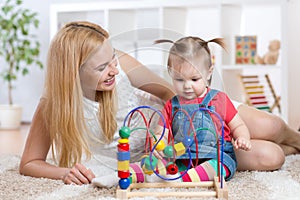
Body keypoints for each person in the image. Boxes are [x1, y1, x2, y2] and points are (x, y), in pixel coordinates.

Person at [19, 21, 300, 186]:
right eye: (102, 67)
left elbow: (171, 94)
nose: (114, 69)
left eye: (114, 57)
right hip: (178, 149)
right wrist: (63, 172)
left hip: (194, 111)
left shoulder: (124, 68)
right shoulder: (52, 105)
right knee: (269, 155)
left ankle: (296, 140)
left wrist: (184, 125)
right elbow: (30, 162)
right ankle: (292, 149)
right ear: (73, 74)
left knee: (271, 124)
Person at [152, 37, 251, 182]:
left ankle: (185, 179)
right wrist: (158, 144)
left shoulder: (220, 99)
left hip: (218, 156)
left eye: (194, 79)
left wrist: (243, 137)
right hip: (184, 158)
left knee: (216, 167)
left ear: (209, 73)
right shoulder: (171, 105)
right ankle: (135, 174)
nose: (187, 86)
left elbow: (238, 125)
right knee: (159, 164)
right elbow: (161, 132)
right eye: (179, 80)